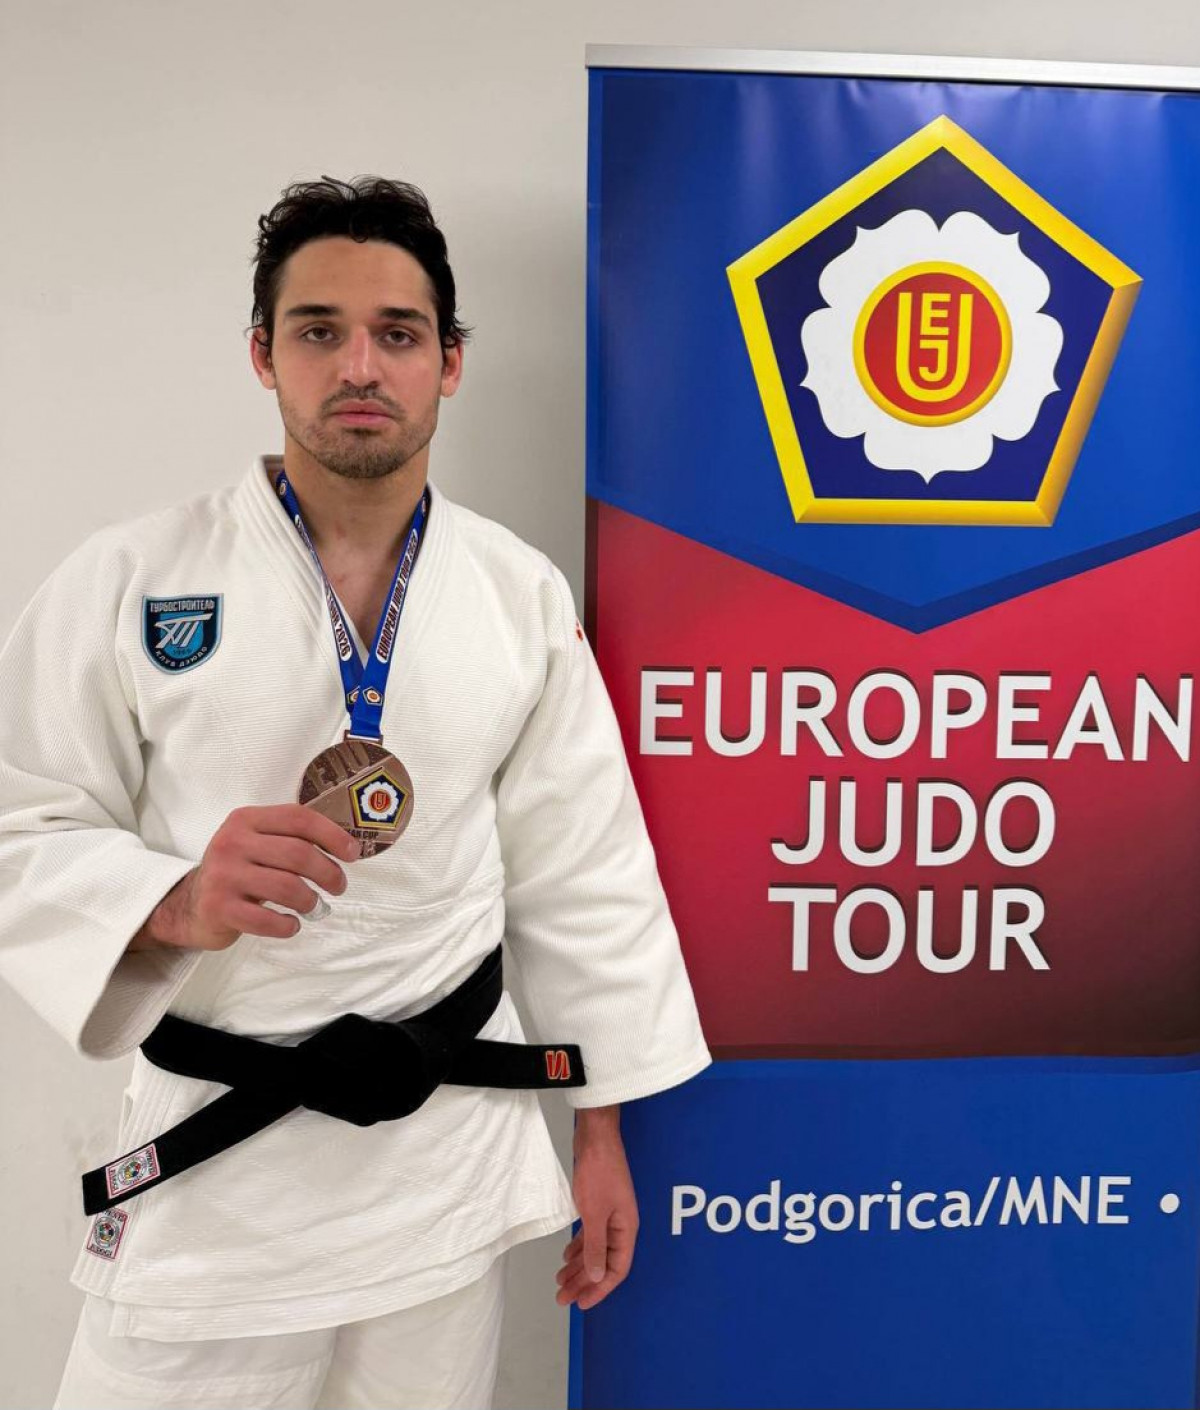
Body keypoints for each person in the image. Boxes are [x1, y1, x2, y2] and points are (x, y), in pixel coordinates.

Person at [0, 176, 710, 1409]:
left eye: (398, 333)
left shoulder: (516, 594)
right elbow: (22, 821)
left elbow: (584, 869)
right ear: (263, 356)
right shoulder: (132, 579)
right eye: (318, 331)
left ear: (451, 363)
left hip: (440, 1160)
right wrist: (173, 900)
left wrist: (601, 1133)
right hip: (218, 1168)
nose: (360, 366)